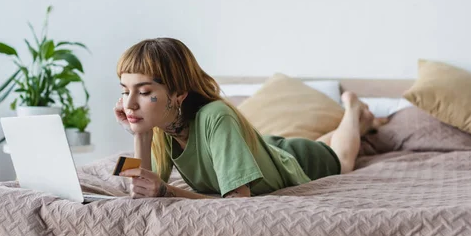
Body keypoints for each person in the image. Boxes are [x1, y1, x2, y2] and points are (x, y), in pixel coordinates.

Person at [113, 38, 383, 199]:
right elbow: (138, 190)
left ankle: (353, 109)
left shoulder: (216, 116)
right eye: (125, 91)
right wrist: (138, 134)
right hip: (262, 149)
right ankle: (354, 121)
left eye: (144, 91)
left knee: (342, 159)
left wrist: (166, 191)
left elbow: (237, 201)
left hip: (295, 159)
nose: (130, 103)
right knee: (319, 142)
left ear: (179, 94)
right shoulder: (159, 123)